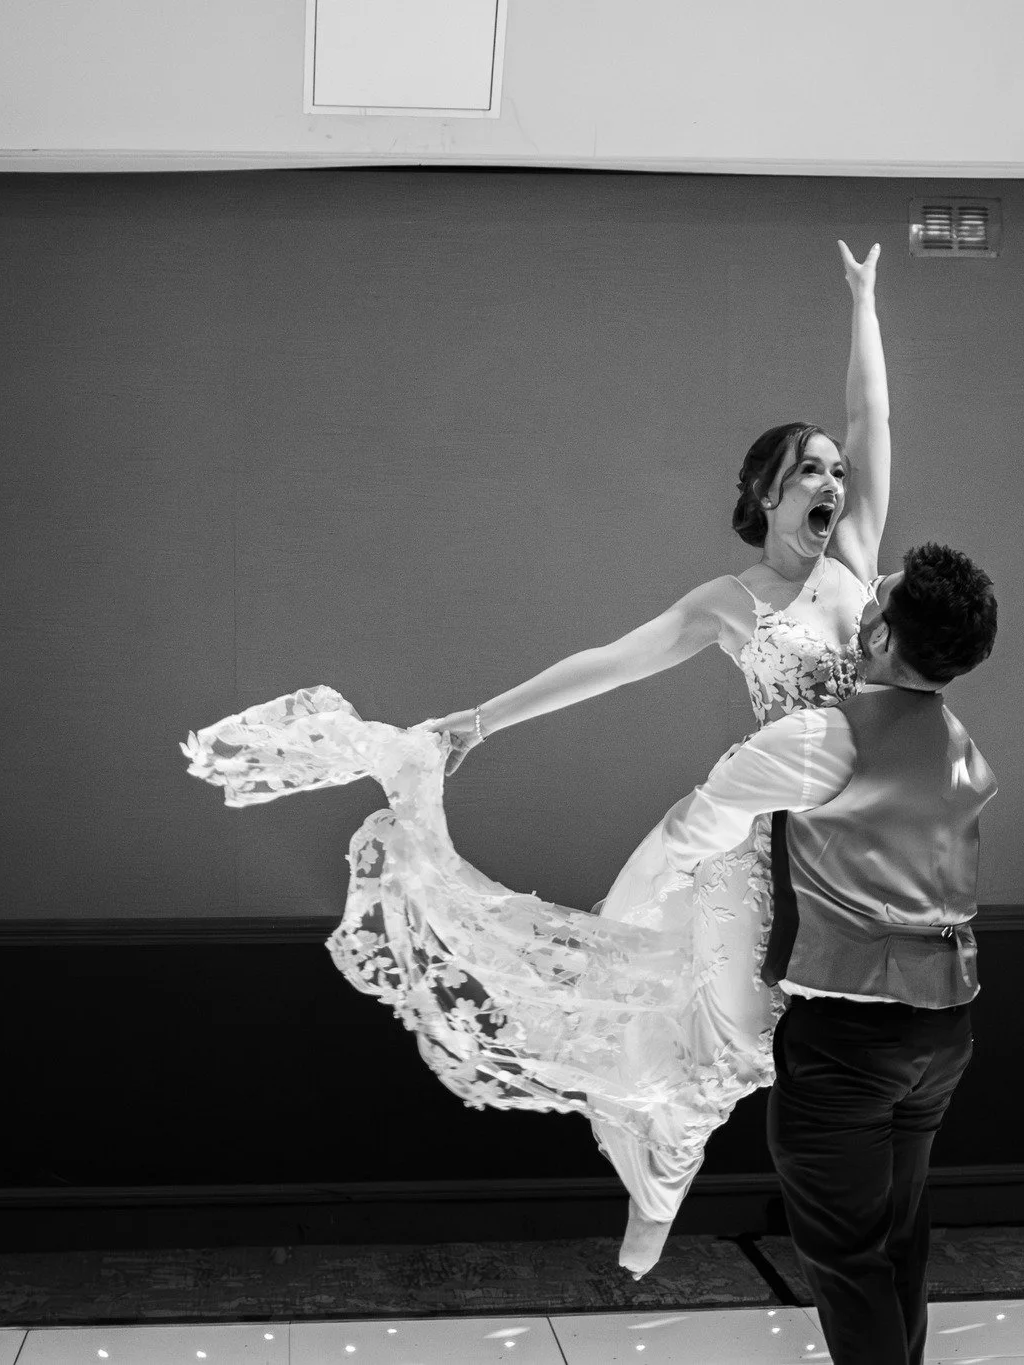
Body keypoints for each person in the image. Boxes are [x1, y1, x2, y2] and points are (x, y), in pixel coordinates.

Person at [182, 240, 895, 1277]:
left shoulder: (857, 564)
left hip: (847, 842)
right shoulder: (726, 604)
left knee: (759, 1051)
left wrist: (864, 302)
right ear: (768, 497)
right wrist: (482, 717)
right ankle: (657, 1188)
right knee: (730, 1038)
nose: (833, 480)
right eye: (809, 472)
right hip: (747, 838)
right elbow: (609, 663)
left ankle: (699, 1172)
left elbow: (876, 424)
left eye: (836, 470)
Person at [648, 542, 999, 1365]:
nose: (865, 589)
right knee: (898, 1240)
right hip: (943, 1037)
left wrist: (662, 867)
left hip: (847, 1041)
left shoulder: (823, 739)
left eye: (880, 592)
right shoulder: (958, 745)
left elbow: (703, 822)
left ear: (875, 636)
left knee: (847, 1257)